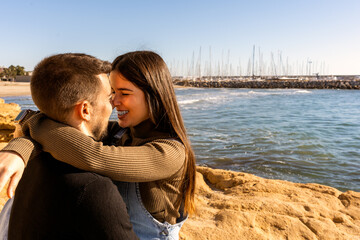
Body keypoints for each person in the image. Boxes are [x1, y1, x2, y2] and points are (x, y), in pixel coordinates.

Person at [0, 51, 196, 239]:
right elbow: (65, 125)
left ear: (154, 95)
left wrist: (31, 123)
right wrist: (19, 149)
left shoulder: (171, 153)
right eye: (112, 92)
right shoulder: (121, 133)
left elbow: (94, 157)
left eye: (124, 93)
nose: (114, 102)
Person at [0, 53, 138, 239]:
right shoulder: (94, 189)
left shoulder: (30, 159)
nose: (114, 103)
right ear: (85, 110)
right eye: (109, 96)